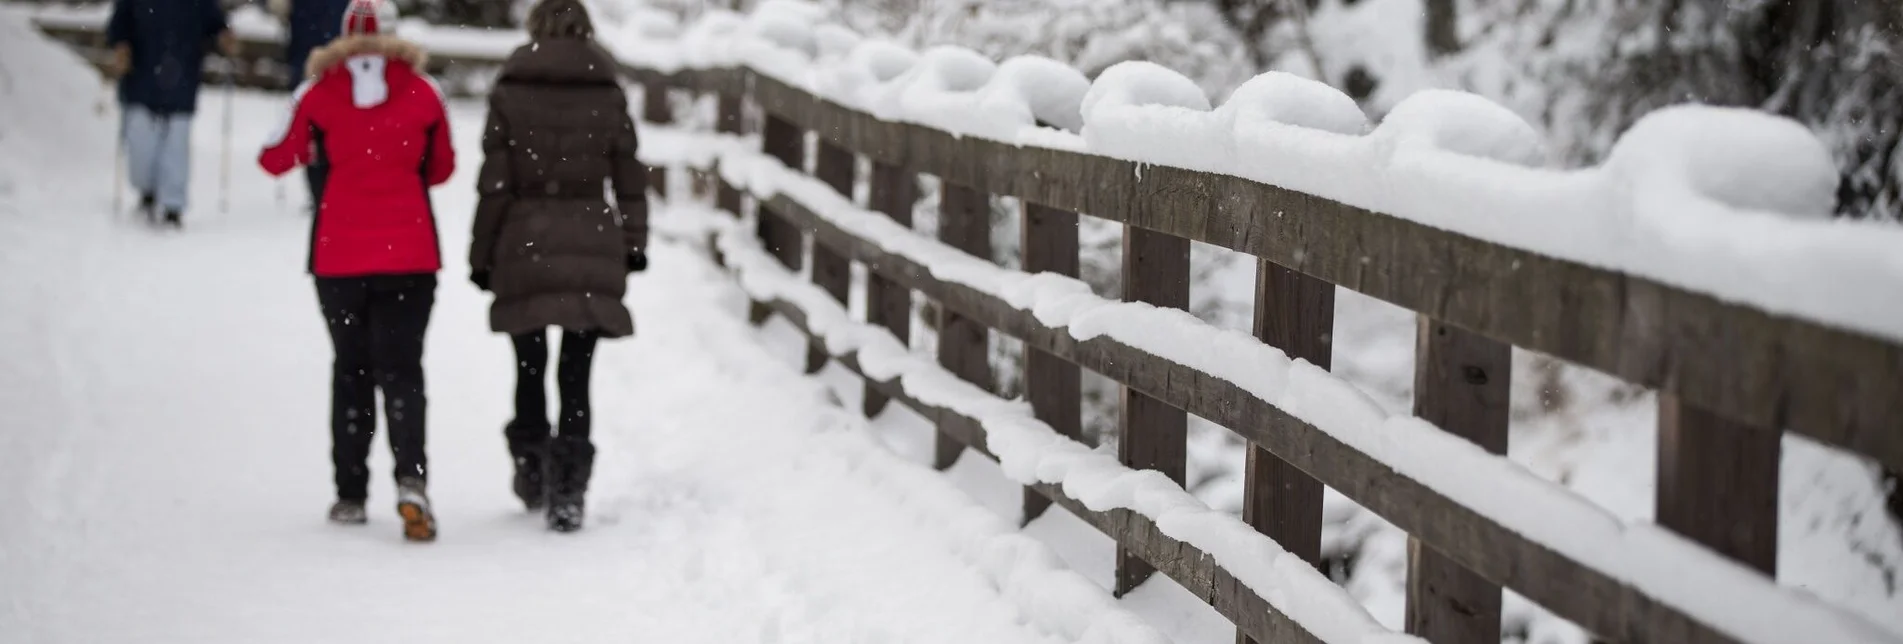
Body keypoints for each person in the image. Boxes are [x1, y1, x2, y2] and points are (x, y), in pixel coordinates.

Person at [258, 0, 455, 542]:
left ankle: (350, 491)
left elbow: (275, 155)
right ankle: (411, 480)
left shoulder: (319, 91)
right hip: (411, 255)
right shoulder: (423, 92)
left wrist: (321, 118)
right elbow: (442, 168)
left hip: (338, 256)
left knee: (351, 370)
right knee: (403, 371)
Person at [468, 0, 648, 533]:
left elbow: (494, 183)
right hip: (591, 233)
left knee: (528, 362)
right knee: (576, 372)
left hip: (525, 235)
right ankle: (569, 488)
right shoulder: (608, 94)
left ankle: (531, 463)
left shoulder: (510, 91)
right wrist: (633, 242)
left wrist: (482, 254)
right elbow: (630, 178)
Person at [105, 0, 237, 227]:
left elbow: (213, 22)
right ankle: (147, 188)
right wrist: (120, 46)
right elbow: (119, 23)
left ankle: (173, 206)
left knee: (176, 146)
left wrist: (223, 37)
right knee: (140, 146)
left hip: (182, 76)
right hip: (140, 78)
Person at [268, 0, 352, 213]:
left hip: (332, 59)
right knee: (313, 130)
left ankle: (328, 188)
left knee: (330, 129)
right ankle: (320, 191)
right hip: (310, 56)